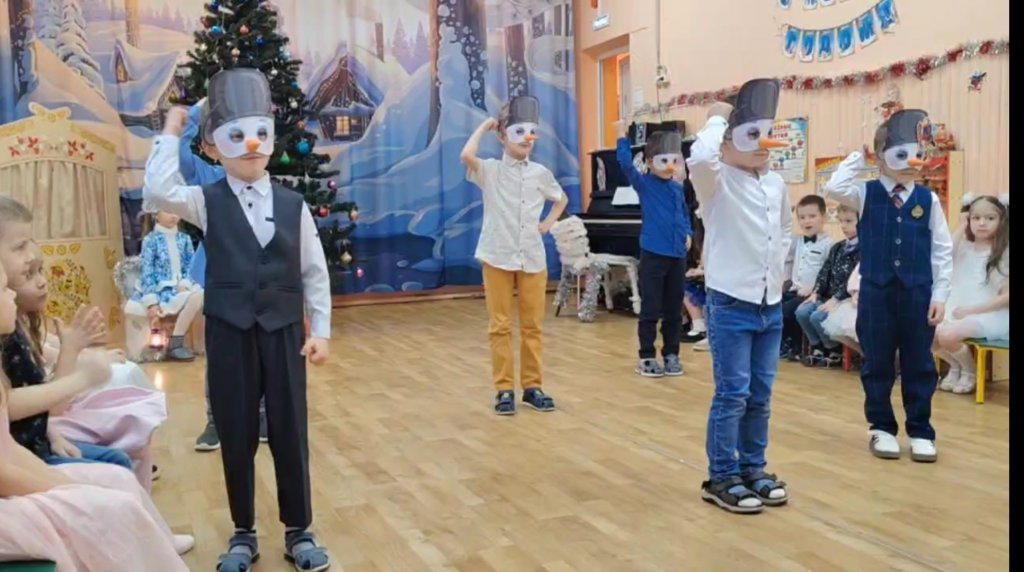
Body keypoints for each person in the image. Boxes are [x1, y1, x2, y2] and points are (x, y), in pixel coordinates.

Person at [144, 69, 333, 571]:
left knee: (290, 429)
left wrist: (321, 331)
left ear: (270, 138)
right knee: (235, 429)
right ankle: (243, 532)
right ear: (211, 147)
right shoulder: (204, 201)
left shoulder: (294, 205)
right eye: (235, 136)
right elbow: (158, 191)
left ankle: (299, 530)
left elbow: (314, 271)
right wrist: (171, 132)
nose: (250, 145)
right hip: (229, 331)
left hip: (284, 331)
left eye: (259, 134)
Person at [0, 260, 193, 571]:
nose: (11, 293)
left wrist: (63, 483)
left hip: (21, 470)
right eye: (3, 289)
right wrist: (65, 488)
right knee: (109, 510)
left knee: (118, 479)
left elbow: (8, 451)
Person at [823, 108, 953, 463]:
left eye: (918, 153)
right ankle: (881, 427)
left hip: (917, 293)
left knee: (919, 364)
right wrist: (858, 157)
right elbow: (833, 187)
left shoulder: (927, 199)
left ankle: (921, 430)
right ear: (880, 158)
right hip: (876, 294)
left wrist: (940, 294)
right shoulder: (864, 194)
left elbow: (941, 250)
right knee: (877, 362)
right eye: (901, 154)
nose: (912, 162)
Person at [687, 78, 791, 514]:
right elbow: (700, 156)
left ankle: (753, 468)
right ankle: (722, 476)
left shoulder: (776, 183)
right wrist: (717, 117)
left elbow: (784, 229)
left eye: (766, 133)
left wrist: (779, 274)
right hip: (731, 303)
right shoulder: (716, 181)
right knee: (733, 393)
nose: (762, 144)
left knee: (761, 395)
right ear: (726, 143)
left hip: (770, 304)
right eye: (750, 135)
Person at [460, 96, 568, 415]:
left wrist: (547, 223)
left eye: (531, 132)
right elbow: (466, 155)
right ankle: (504, 389)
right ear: (503, 136)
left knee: (533, 326)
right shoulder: (490, 170)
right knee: (500, 325)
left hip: (532, 258)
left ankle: (533, 387)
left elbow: (560, 199)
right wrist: (486, 125)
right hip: (497, 254)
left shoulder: (541, 173)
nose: (526, 138)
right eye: (518, 132)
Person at [177, 99, 268, 452]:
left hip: (258, 281)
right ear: (213, 149)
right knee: (220, 355)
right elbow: (180, 159)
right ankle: (216, 421)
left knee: (262, 352)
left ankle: (262, 415)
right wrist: (197, 113)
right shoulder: (208, 179)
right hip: (219, 282)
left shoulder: (269, 188)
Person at [613, 120, 692, 377]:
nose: (669, 166)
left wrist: (688, 233)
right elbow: (626, 164)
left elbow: (682, 214)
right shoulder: (644, 183)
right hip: (654, 254)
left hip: (677, 255)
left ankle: (671, 353)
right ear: (649, 162)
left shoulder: (677, 187)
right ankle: (647, 355)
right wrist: (621, 136)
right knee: (651, 308)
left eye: (674, 161)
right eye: (663, 161)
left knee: (673, 309)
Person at [935, 194, 1009, 394]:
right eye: (976, 218)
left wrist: (971, 310)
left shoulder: (1003, 252)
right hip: (958, 307)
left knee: (948, 335)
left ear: (1002, 220)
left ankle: (970, 370)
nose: (982, 223)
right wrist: (961, 226)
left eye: (990, 218)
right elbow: (943, 255)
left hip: (989, 313)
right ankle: (956, 366)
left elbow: (1006, 297)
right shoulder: (964, 247)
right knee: (924, 333)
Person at [126, 209, 203, 361]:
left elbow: (191, 266)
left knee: (201, 295)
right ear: (156, 214)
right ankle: (173, 344)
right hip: (162, 291)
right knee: (194, 297)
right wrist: (152, 302)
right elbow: (147, 272)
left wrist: (185, 283)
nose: (174, 215)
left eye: (177, 211)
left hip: (182, 287)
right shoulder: (151, 240)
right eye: (168, 211)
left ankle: (180, 341)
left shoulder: (185, 239)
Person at [794, 205, 861, 367]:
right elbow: (824, 272)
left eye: (849, 221)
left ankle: (833, 349)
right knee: (802, 312)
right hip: (827, 296)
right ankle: (818, 347)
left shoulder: (864, 249)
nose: (843, 226)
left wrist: (836, 298)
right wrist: (816, 292)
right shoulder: (837, 247)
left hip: (846, 299)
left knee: (817, 317)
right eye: (841, 221)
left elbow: (854, 280)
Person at [780, 195, 833, 361]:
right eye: (802, 217)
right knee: (772, 307)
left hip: (813, 294)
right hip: (795, 289)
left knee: (788, 310)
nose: (806, 221)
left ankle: (796, 347)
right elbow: (784, 252)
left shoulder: (829, 244)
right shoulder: (797, 241)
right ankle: (782, 343)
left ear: (824, 217)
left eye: (812, 216)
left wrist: (814, 289)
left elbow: (829, 272)